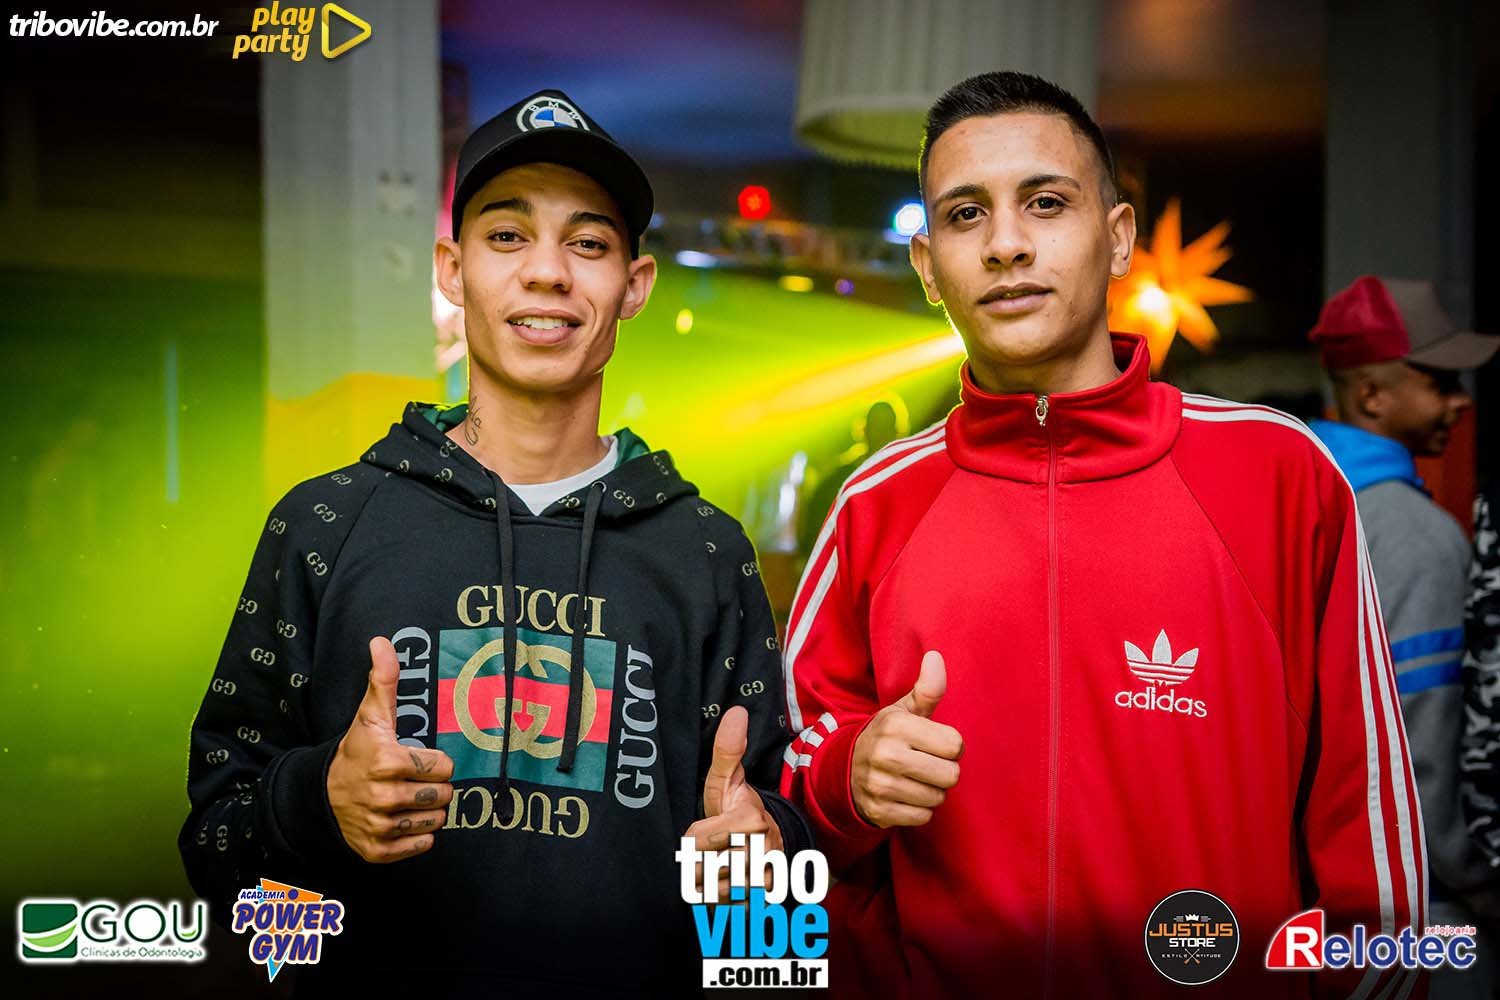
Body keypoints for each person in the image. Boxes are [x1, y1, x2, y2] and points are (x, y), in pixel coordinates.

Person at [780, 70, 1426, 998]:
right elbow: (788, 793)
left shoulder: (1279, 476)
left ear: (1118, 237)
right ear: (927, 265)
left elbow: (1372, 841)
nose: (1006, 244)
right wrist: (850, 775)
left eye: (1046, 203)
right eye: (965, 215)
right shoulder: (875, 504)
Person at [179, 89, 808, 995]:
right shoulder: (325, 523)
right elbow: (215, 854)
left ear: (634, 286)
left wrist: (760, 863)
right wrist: (319, 803)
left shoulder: (707, 552)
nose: (547, 272)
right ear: (452, 270)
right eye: (507, 236)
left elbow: (769, 915)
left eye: (588, 243)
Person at [1308, 276, 1500, 997]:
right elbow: (1428, 740)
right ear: (1371, 396)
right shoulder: (1416, 535)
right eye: (1440, 381)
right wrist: (1481, 881)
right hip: (1424, 905)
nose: (1461, 400)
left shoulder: (1290, 504)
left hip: (1310, 896)